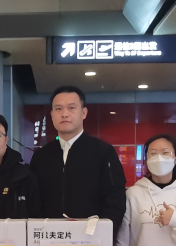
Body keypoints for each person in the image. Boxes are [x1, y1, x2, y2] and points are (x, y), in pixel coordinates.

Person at [29, 86, 126, 226]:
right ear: (52, 114)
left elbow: (115, 199)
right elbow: (33, 201)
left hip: (91, 235)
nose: (64, 114)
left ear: (84, 113)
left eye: (72, 108)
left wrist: (102, 232)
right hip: (49, 235)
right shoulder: (41, 156)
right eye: (58, 109)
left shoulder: (103, 152)